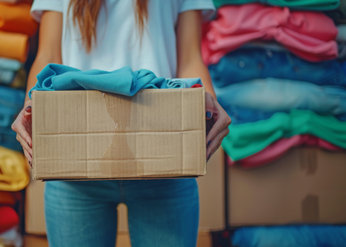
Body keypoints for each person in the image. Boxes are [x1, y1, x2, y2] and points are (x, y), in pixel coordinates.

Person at [12, 0, 231, 246]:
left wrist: (207, 99)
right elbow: (49, 54)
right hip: (75, 164)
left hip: (163, 159)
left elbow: (190, 58)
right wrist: (32, 105)